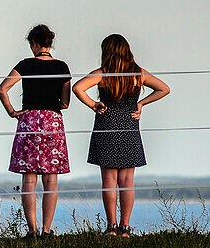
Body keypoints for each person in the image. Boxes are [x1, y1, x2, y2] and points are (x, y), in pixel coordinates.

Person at [72, 34, 170, 236]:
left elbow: (77, 88)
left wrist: (93, 104)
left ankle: (111, 227)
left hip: (106, 124)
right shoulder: (137, 74)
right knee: (127, 181)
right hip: (129, 126)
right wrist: (141, 103)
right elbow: (164, 89)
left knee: (108, 180)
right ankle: (125, 228)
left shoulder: (103, 73)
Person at [0, 24, 72, 238]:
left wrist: (13, 111)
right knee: (51, 180)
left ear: (34, 43)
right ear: (49, 43)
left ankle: (32, 230)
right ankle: (47, 230)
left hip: (29, 120)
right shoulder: (62, 67)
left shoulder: (26, 65)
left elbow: (2, 89)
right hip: (53, 122)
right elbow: (65, 103)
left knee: (29, 179)